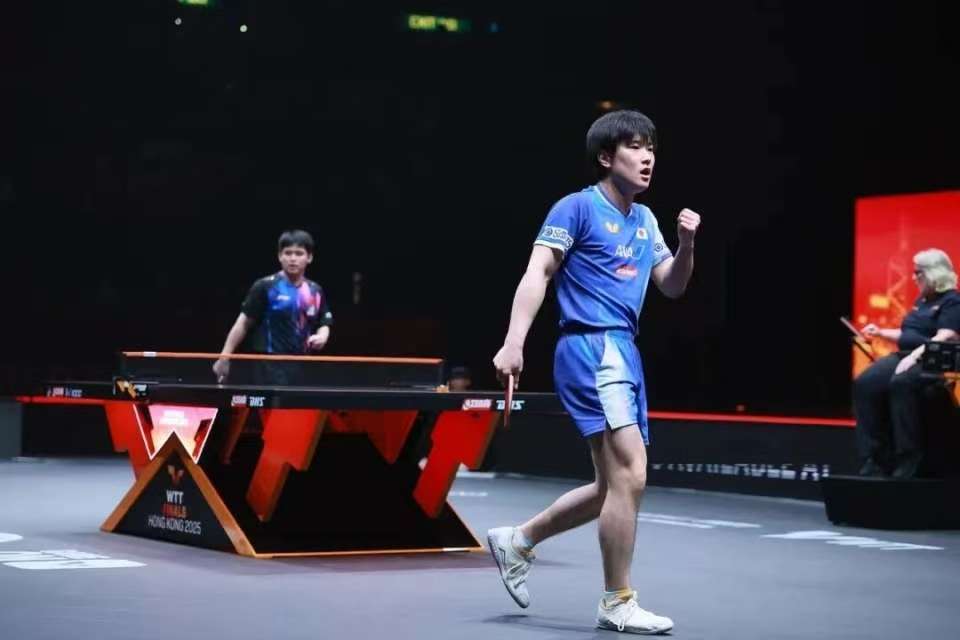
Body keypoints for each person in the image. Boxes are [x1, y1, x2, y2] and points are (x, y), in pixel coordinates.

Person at [488, 110, 700, 635]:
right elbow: (537, 271)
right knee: (632, 472)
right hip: (591, 345)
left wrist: (687, 244)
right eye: (635, 146)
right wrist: (513, 343)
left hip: (623, 349)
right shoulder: (577, 207)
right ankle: (617, 601)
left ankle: (518, 541)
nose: (647, 157)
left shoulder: (645, 219)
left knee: (612, 486)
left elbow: (672, 285)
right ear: (607, 157)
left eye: (651, 147)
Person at [854, 248, 960, 478]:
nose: (913, 277)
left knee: (901, 383)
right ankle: (876, 458)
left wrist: (916, 356)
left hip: (934, 359)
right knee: (866, 383)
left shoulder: (952, 301)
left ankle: (909, 458)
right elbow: (908, 334)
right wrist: (880, 332)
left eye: (917, 273)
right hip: (906, 354)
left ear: (933, 273)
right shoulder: (921, 301)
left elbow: (945, 335)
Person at [213, 229, 333, 384]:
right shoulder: (265, 286)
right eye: (288, 253)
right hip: (268, 365)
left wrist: (322, 336)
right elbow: (242, 323)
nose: (293, 259)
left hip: (303, 364)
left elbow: (324, 321)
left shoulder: (315, 290)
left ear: (309, 257)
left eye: (299, 253)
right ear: (279, 256)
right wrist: (224, 357)